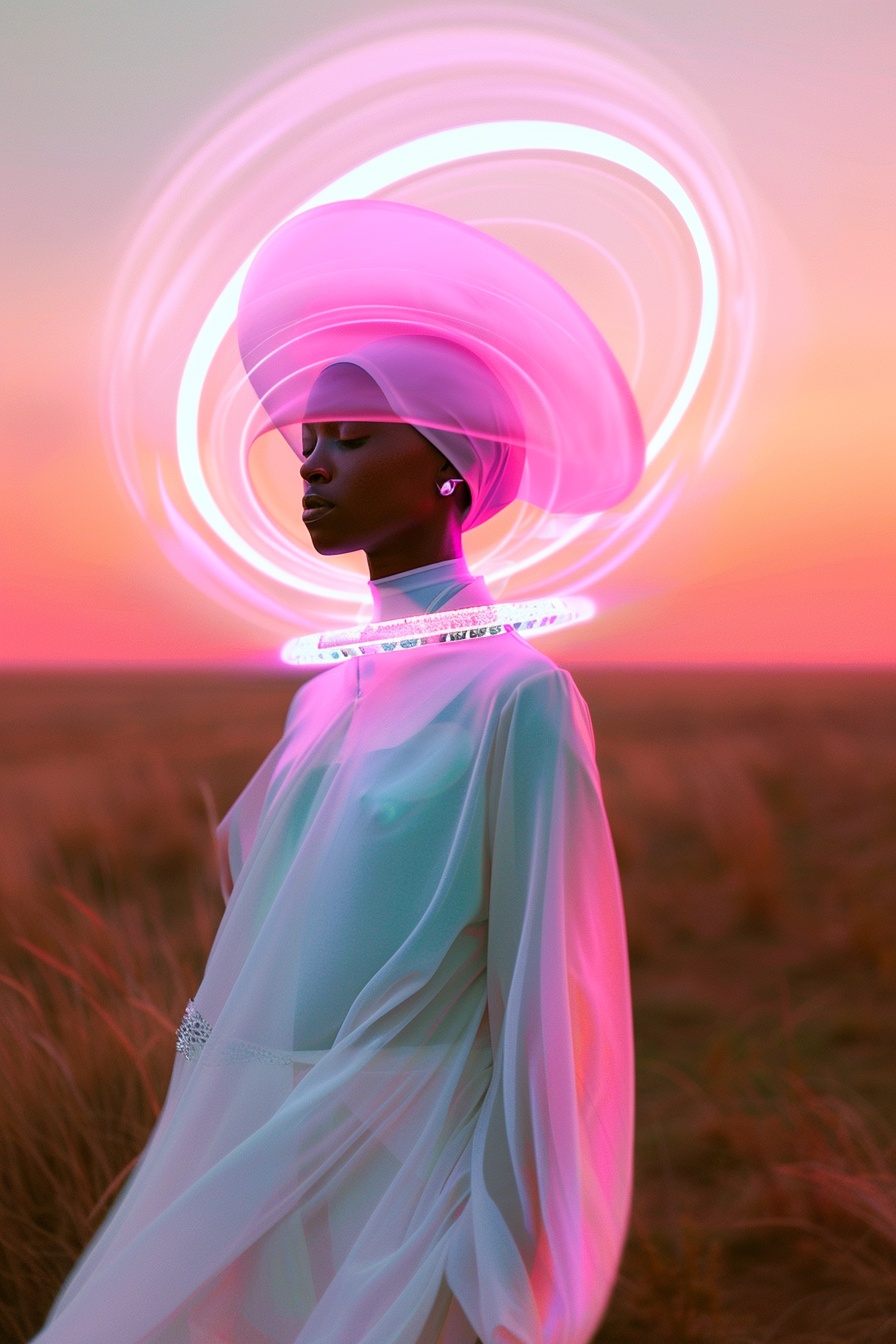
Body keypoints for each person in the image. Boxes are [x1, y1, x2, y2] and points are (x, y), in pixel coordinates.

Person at [34, 200, 644, 1344]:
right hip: (251, 1165)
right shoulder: (319, 701)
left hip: (408, 1195)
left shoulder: (516, 700)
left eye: (352, 438)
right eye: (306, 442)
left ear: (451, 470)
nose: (310, 466)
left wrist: (499, 1282)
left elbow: (548, 1018)